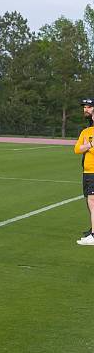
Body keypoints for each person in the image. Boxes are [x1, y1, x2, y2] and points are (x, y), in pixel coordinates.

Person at [74, 97, 94, 245]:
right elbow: (77, 149)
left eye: (88, 107)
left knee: (92, 202)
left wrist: (88, 146)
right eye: (84, 107)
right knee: (90, 202)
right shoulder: (86, 130)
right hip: (87, 172)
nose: (85, 109)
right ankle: (92, 231)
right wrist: (88, 146)